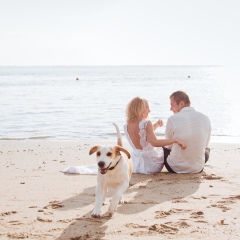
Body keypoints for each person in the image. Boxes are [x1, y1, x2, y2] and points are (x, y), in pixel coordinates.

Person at [124, 97, 186, 174]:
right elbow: (155, 143)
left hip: (135, 165)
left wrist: (156, 125)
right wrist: (175, 140)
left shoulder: (126, 126)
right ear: (139, 109)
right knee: (165, 148)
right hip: (151, 165)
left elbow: (144, 135)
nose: (149, 110)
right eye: (147, 108)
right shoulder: (146, 123)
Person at [164, 91, 211, 174]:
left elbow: (169, 146)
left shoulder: (172, 119)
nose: (171, 109)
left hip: (174, 168)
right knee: (207, 149)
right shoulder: (205, 118)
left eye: (172, 105)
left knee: (162, 149)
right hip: (198, 168)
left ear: (181, 103)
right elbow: (205, 145)